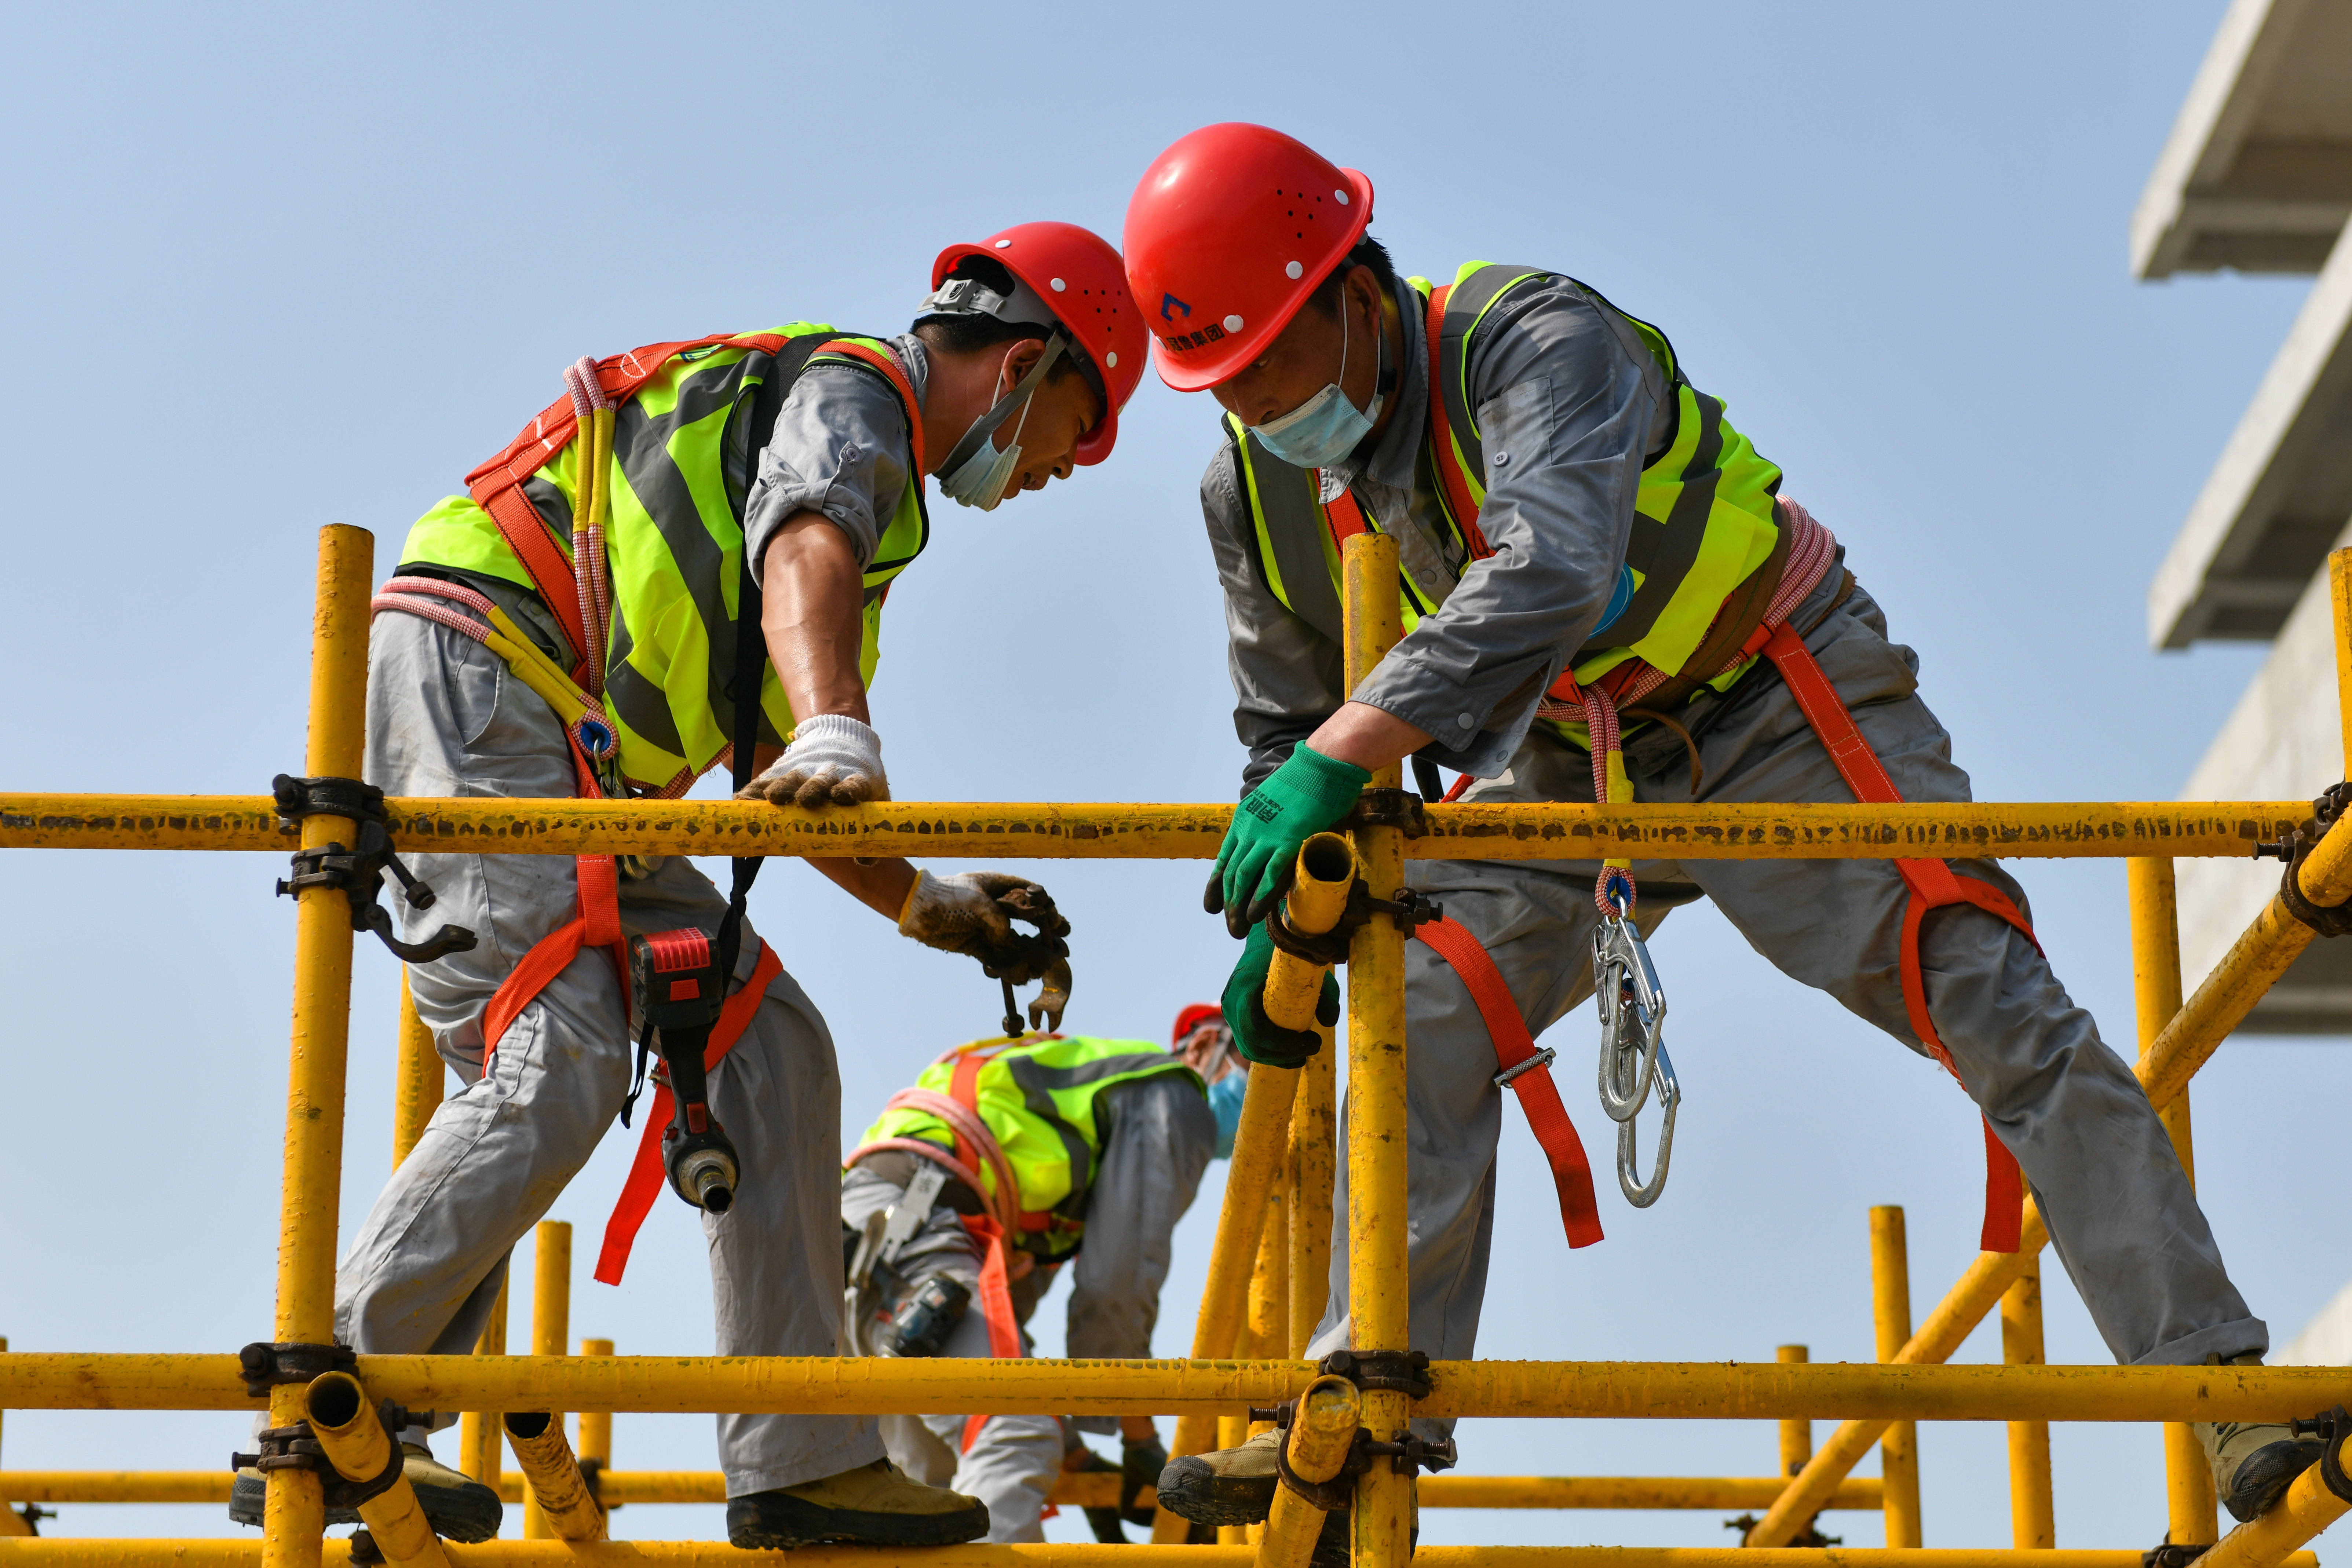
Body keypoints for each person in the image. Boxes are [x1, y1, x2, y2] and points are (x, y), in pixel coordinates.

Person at [1121, 124, 2317, 1534]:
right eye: (1218, 379)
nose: (1252, 402)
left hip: (1771, 697)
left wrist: (1336, 753)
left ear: (1350, 289)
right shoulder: (1246, 484)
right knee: (1415, 994)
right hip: (1558, 758)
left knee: (1987, 992)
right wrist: (1292, 921)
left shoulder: (1532, 338)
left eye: (1264, 358)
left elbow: (1552, 566)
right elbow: (1283, 731)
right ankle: (1361, 1398)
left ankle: (2213, 1381)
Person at [229, 224, 1146, 1550]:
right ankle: (324, 1407)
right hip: (490, 667)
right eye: (1076, 424)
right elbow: (804, 556)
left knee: (770, 1039)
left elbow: (772, 747)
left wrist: (920, 901)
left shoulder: (861, 505)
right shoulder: (856, 403)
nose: (1060, 467)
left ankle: (799, 1452)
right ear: (1020, 365)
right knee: (562, 1042)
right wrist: (845, 722)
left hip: (571, 755)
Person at [839, 1010, 1230, 1543]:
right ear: (1207, 1045)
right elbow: (1116, 1288)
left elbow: (1003, 1331)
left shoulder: (1051, 1131)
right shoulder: (1172, 1092)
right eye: (1258, 1065)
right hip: (919, 1225)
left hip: (872, 1240)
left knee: (929, 1492)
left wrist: (1074, 1453)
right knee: (1015, 1433)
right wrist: (1140, 1439)